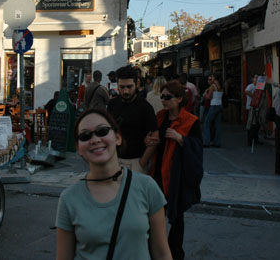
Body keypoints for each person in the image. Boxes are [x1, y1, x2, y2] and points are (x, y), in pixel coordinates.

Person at [55, 108, 172, 260]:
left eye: (102, 131)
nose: (95, 139)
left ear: (118, 137)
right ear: (78, 148)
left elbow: (162, 253)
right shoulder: (69, 198)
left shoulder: (147, 187)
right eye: (85, 136)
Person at [149, 81, 203, 260]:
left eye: (167, 97)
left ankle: (175, 253)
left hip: (177, 177)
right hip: (158, 173)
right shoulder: (160, 117)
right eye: (162, 97)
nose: (163, 100)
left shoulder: (191, 121)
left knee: (177, 219)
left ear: (179, 99)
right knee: (155, 217)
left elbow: (197, 149)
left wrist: (181, 139)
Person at [107, 66, 159, 173]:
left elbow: (155, 137)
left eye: (129, 87)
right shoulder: (112, 104)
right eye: (122, 87)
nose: (126, 91)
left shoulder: (145, 107)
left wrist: (142, 163)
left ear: (137, 84)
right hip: (114, 161)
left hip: (136, 162)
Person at [202, 74, 224, 148]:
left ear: (215, 78)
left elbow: (208, 97)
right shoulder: (221, 85)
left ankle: (206, 142)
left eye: (212, 77)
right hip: (220, 105)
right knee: (217, 125)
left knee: (206, 123)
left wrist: (205, 95)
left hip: (214, 105)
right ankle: (217, 142)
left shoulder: (212, 86)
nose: (211, 78)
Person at [245, 74, 263, 146]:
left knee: (257, 124)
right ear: (253, 79)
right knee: (251, 124)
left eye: (258, 78)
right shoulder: (251, 86)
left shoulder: (259, 86)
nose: (257, 79)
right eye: (255, 77)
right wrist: (254, 97)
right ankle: (250, 140)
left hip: (257, 107)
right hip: (251, 107)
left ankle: (255, 139)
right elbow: (246, 91)